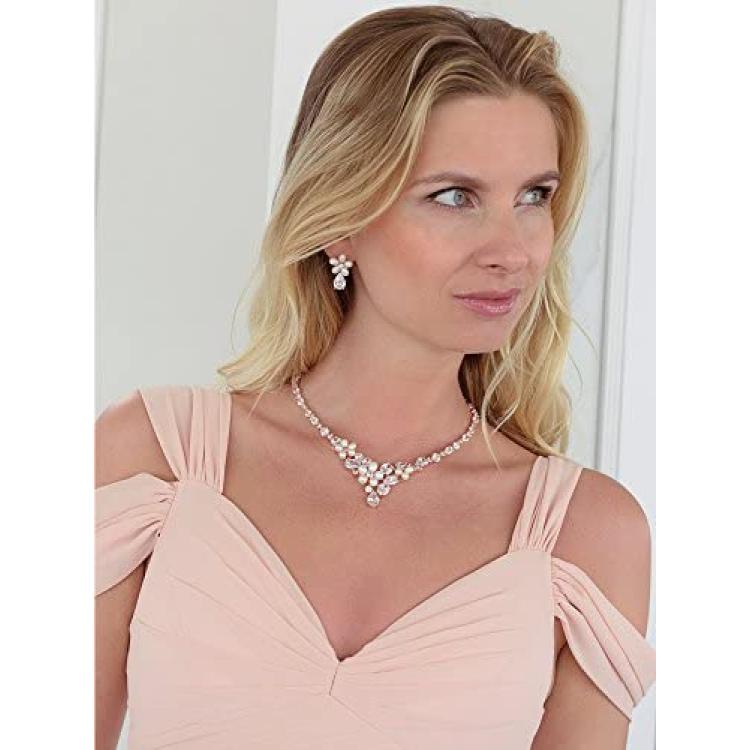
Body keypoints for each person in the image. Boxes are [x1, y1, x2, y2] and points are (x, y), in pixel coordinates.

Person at [95, 6, 655, 749]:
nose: (512, 251)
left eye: (534, 196)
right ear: (341, 217)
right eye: (454, 197)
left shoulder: (588, 535)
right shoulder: (154, 460)